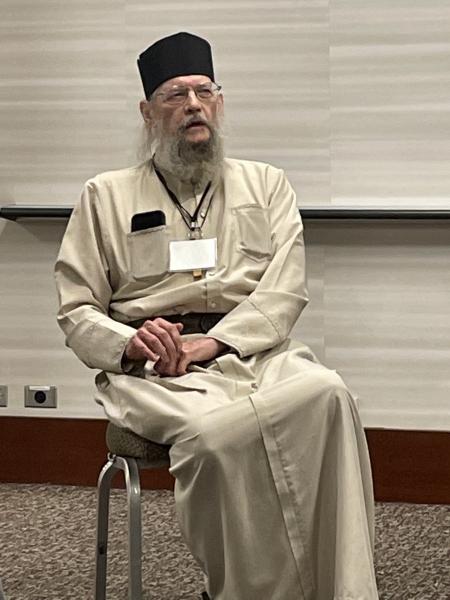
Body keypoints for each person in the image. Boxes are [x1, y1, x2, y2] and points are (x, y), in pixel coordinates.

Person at [55, 32, 379, 600]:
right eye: (175, 94)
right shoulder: (104, 195)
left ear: (220, 102)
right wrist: (131, 342)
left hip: (256, 353)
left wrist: (221, 342)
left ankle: (342, 589)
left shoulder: (266, 183)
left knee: (329, 394)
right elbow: (77, 310)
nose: (193, 105)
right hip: (161, 371)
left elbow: (284, 289)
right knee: (214, 436)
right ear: (148, 111)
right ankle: (237, 591)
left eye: (204, 91)